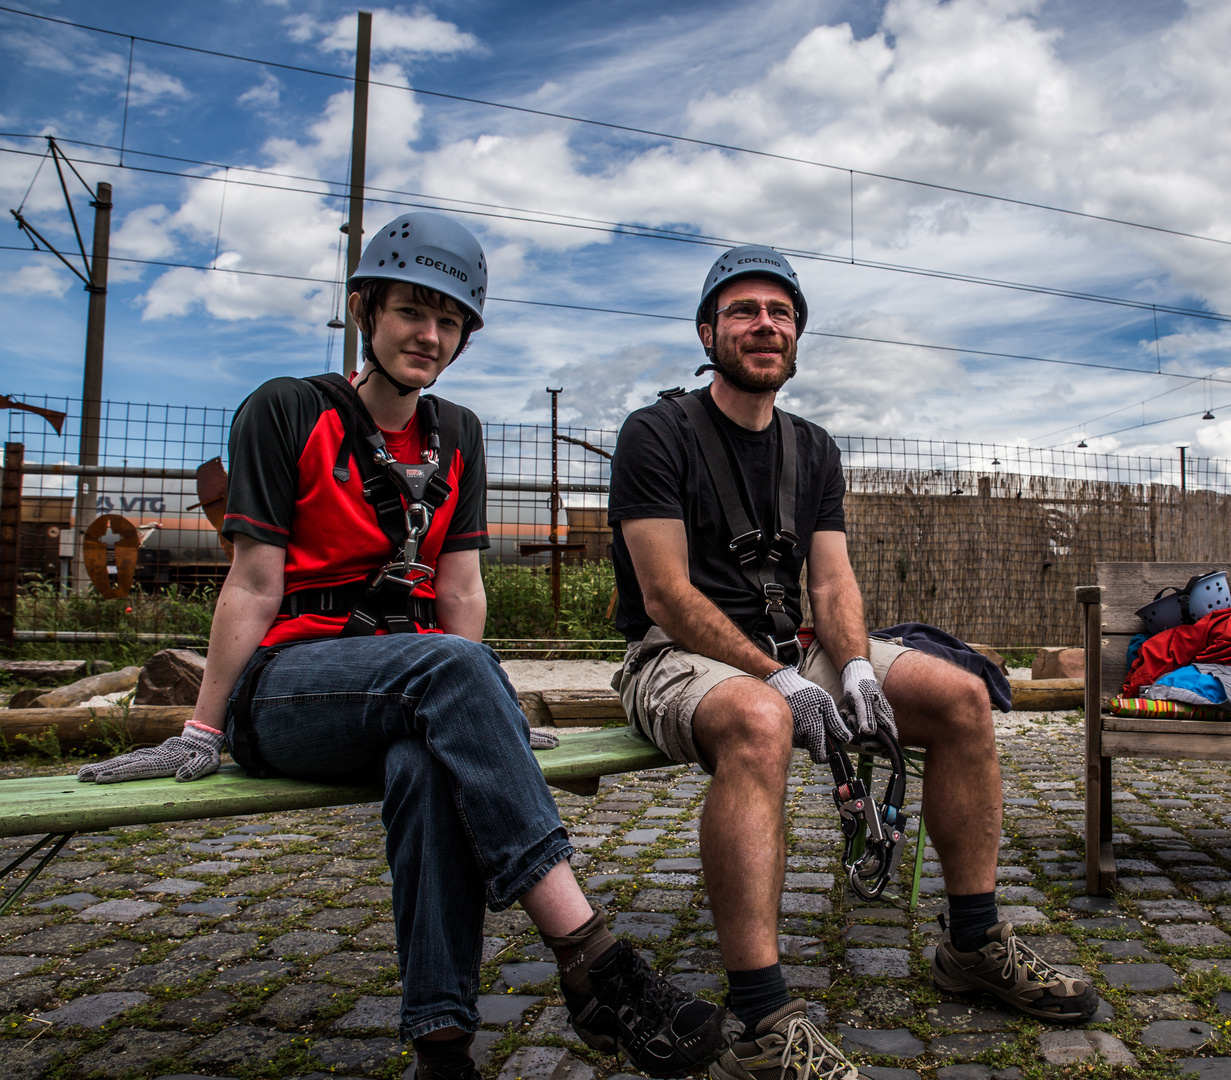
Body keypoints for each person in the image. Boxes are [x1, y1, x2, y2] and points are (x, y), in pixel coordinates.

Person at [77, 212, 737, 1080]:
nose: (430, 334)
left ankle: (443, 1048)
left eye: (450, 320)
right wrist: (204, 728)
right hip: (286, 689)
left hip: (412, 686)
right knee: (456, 669)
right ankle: (593, 959)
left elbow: (460, 587)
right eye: (412, 312)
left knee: (428, 769)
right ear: (366, 311)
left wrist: (481, 714)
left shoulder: (457, 434)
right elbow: (251, 583)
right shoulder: (286, 410)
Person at [608, 245, 1098, 1080]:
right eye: (743, 311)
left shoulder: (815, 448)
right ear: (707, 331)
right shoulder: (657, 433)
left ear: (796, 339)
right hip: (676, 655)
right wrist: (780, 680)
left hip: (793, 652)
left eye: (782, 313)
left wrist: (859, 668)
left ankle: (974, 942)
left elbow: (831, 582)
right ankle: (762, 1021)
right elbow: (666, 596)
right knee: (761, 721)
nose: (765, 324)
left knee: (960, 696)